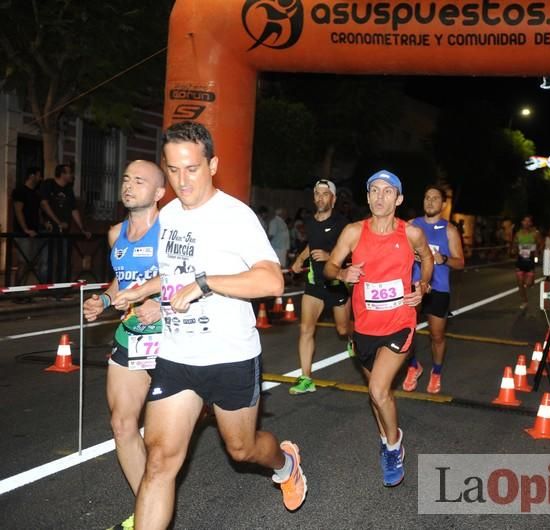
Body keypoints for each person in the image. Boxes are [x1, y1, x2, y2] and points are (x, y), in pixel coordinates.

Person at [113, 122, 306, 529]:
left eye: (192, 169)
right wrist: (139, 291)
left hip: (230, 356)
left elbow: (271, 281)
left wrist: (205, 284)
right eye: (174, 170)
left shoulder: (236, 216)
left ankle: (286, 464)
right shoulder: (167, 214)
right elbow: (173, 273)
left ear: (213, 164)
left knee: (243, 449)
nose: (182, 181)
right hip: (177, 354)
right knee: (160, 460)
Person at [324, 169, 433, 487]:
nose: (380, 197)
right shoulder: (354, 232)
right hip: (365, 328)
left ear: (398, 199)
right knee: (379, 396)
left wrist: (423, 284)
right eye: (374, 190)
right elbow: (330, 266)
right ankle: (389, 436)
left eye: (387, 191)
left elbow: (426, 259)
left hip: (400, 323)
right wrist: (343, 274)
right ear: (367, 196)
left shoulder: (410, 233)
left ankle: (393, 447)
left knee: (377, 390)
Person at [82, 160, 165, 530]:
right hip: (130, 338)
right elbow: (122, 280)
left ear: (160, 193)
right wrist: (103, 299)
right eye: (127, 179)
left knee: (168, 443)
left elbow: (192, 277)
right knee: (122, 425)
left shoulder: (172, 230)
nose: (129, 185)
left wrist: (159, 302)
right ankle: (145, 508)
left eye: (140, 180)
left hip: (172, 341)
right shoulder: (116, 234)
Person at [288, 179, 352, 395]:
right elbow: (312, 244)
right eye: (318, 193)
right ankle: (306, 378)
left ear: (332, 199)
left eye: (326, 194)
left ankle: (354, 336)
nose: (321, 198)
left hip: (335, 282)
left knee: (343, 330)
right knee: (306, 329)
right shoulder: (310, 221)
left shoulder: (342, 223)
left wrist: (329, 256)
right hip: (315, 283)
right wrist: (300, 260)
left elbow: (350, 249)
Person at [402, 185, 465, 394]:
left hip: (438, 288)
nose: (430, 201)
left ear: (443, 203)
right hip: (413, 286)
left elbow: (460, 262)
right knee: (406, 332)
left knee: (436, 336)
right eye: (427, 197)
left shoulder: (449, 230)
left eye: (435, 198)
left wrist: (444, 259)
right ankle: (413, 367)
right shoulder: (411, 225)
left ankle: (436, 372)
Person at [40, 164, 91, 282]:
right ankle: (44, 289)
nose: (71, 175)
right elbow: (44, 204)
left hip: (64, 231)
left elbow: (74, 210)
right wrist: (57, 222)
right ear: (62, 174)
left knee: (64, 260)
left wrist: (82, 228)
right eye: (69, 172)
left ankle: (62, 289)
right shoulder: (49, 184)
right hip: (49, 229)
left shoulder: (68, 189)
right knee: (46, 260)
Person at [11, 167, 45, 283]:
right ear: (32, 176)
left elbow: (38, 212)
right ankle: (18, 293)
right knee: (23, 262)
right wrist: (25, 229)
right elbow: (18, 210)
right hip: (23, 233)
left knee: (30, 262)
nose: (40, 178)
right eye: (38, 175)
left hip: (34, 232)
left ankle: (23, 290)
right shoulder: (20, 191)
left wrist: (43, 224)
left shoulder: (36, 194)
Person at [512, 214, 541, 309]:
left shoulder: (535, 234)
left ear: (531, 223)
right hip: (520, 262)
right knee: (520, 284)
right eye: (525, 221)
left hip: (530, 262)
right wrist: (514, 250)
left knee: (528, 284)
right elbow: (515, 246)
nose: (526, 223)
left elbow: (540, 244)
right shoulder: (518, 234)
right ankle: (524, 301)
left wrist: (536, 253)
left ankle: (531, 282)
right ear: (522, 222)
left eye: (528, 221)